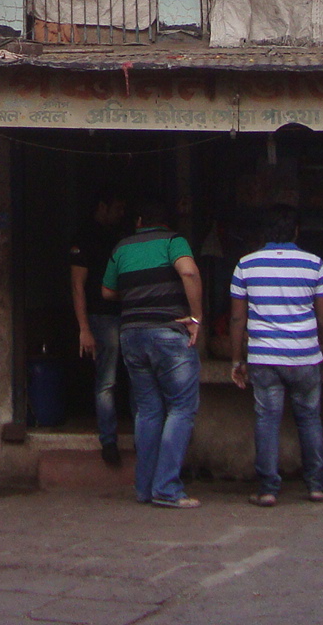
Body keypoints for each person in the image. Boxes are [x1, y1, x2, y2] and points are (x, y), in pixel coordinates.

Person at [100, 196, 203, 510]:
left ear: (139, 221)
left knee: (148, 410)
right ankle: (167, 488)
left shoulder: (122, 248)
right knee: (181, 408)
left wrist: (134, 292)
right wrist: (197, 317)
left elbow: (107, 291)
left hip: (131, 334)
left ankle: (145, 488)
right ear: (167, 222)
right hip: (168, 332)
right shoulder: (174, 241)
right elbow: (188, 272)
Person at [228, 207, 323, 505]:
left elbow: (237, 320)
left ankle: (267, 490)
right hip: (304, 356)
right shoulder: (314, 264)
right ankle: (316, 486)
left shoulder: (245, 265)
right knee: (310, 419)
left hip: (263, 358)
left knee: (266, 420)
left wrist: (238, 360)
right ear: (296, 231)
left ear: (264, 233)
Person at [67, 187, 129, 466]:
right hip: (101, 317)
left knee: (137, 378)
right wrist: (84, 327)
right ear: (102, 206)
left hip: (128, 316)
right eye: (116, 208)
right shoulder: (85, 237)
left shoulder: (122, 237)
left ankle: (144, 438)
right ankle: (109, 441)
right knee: (107, 380)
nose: (121, 214)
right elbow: (77, 285)